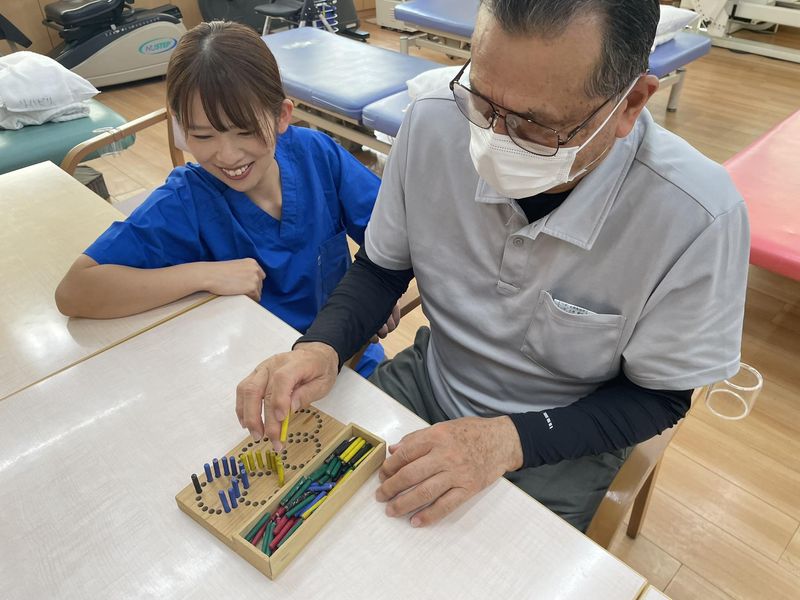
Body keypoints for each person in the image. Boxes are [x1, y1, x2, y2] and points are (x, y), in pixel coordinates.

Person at [235, 0, 750, 531]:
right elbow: (381, 269)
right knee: (310, 519)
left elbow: (659, 397)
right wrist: (322, 347)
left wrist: (506, 441)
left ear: (630, 104)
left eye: (537, 125)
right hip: (433, 381)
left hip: (565, 439)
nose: (495, 140)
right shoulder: (435, 120)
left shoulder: (696, 216)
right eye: (482, 102)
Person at [55, 21, 398, 375]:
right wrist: (203, 275)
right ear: (182, 129)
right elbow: (75, 290)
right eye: (204, 136)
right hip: (251, 378)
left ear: (281, 116)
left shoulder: (317, 156)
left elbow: (394, 238)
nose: (228, 156)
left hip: (350, 359)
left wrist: (376, 290)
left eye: (245, 131)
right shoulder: (186, 201)